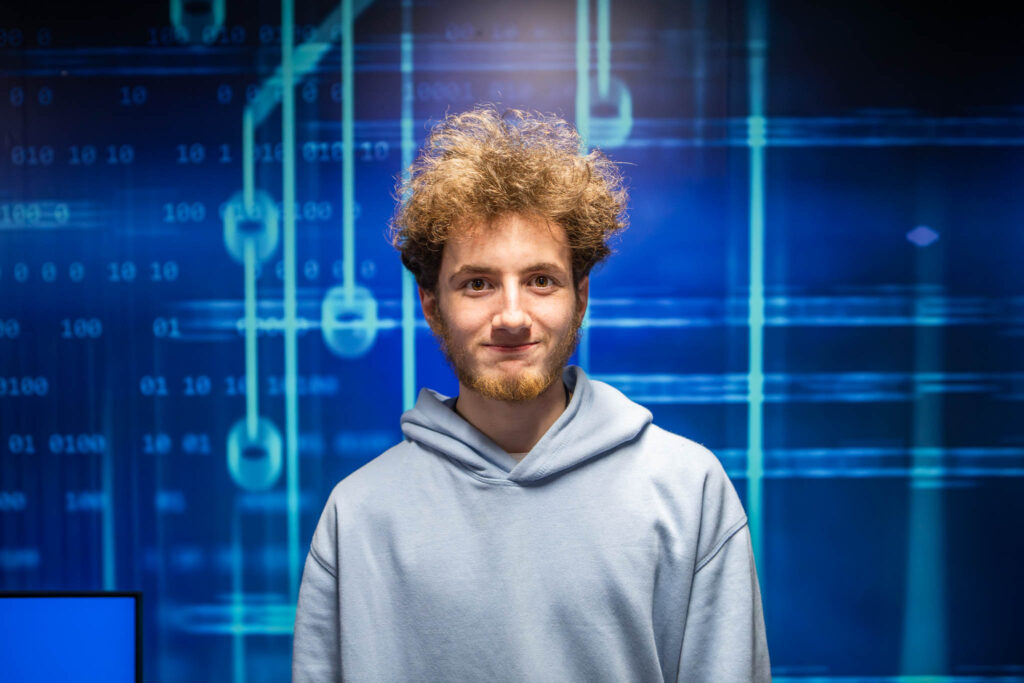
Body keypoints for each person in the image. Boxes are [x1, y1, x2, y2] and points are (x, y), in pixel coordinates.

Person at [292, 106, 771, 682]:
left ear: (581, 296)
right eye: (478, 284)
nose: (512, 316)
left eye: (541, 280)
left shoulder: (689, 491)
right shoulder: (358, 514)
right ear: (431, 305)